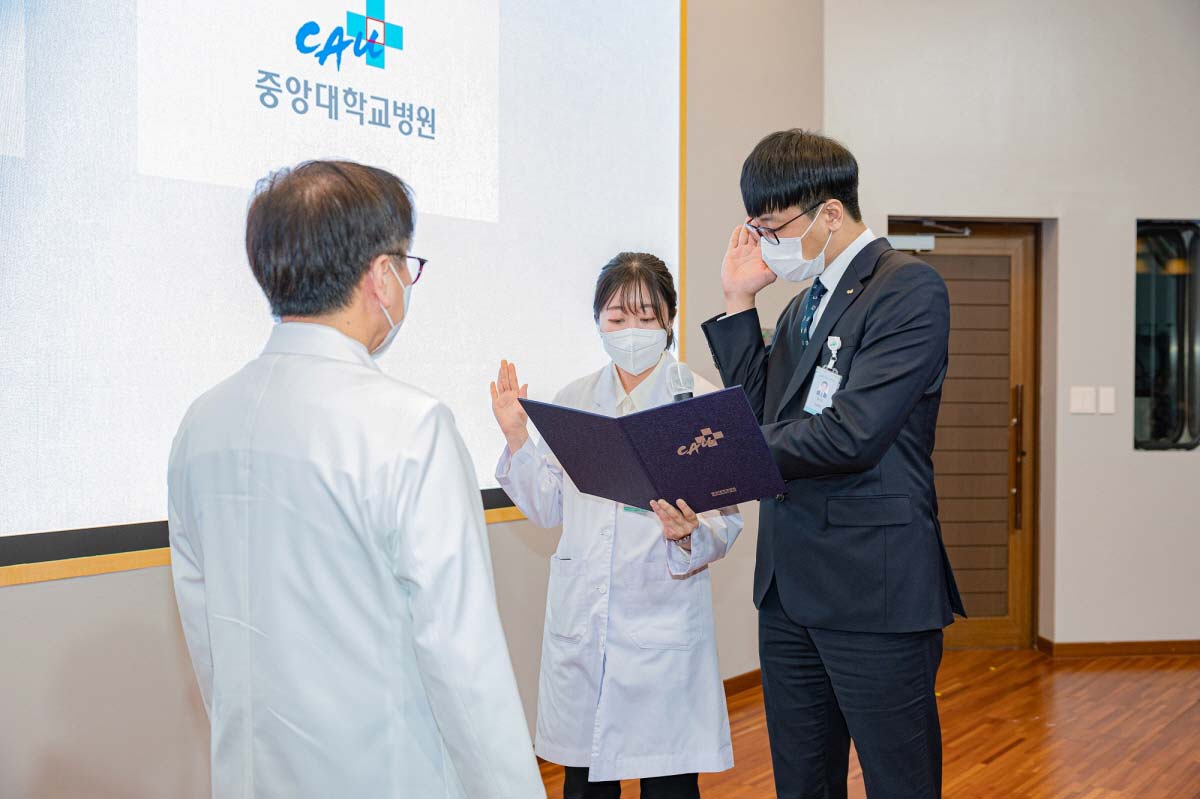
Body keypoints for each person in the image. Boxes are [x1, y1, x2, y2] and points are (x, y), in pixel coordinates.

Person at [168, 160, 544, 799]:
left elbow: (210, 640)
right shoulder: (411, 426)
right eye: (407, 265)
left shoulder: (201, 423)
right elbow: (462, 657)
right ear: (381, 276)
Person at [701, 130, 966, 798]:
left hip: (872, 589)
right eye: (756, 229)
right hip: (789, 590)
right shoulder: (801, 306)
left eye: (773, 228)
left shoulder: (908, 288)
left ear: (829, 213)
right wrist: (738, 303)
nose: (765, 244)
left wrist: (724, 450)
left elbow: (853, 435)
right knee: (803, 781)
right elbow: (758, 416)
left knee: (899, 782)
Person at [490, 252, 742, 799]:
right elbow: (548, 508)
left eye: (647, 317)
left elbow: (726, 522)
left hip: (663, 626)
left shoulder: (699, 402)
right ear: (598, 322)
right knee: (584, 785)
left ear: (670, 319)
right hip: (585, 626)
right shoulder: (574, 400)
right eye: (617, 318)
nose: (632, 331)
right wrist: (516, 436)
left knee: (669, 785)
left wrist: (688, 533)